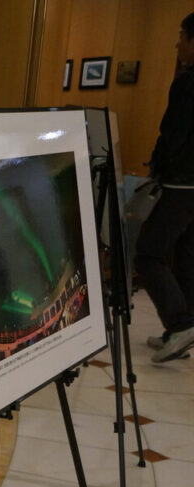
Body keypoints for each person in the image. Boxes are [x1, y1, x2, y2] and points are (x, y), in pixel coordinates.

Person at [136, 12, 194, 363]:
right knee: (187, 257)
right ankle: (181, 331)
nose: (178, 45)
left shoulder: (187, 83)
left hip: (179, 184)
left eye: (182, 37)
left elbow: (172, 134)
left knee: (149, 253)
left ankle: (180, 323)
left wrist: (156, 166)